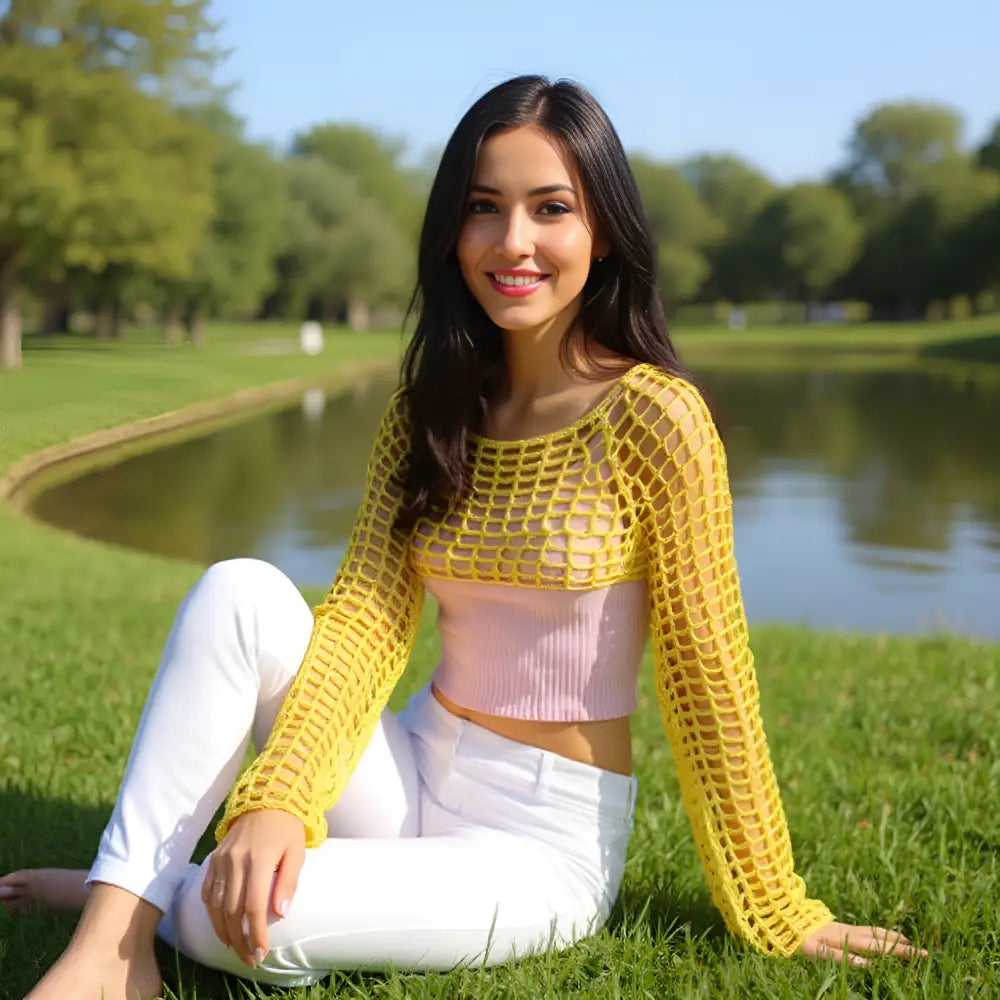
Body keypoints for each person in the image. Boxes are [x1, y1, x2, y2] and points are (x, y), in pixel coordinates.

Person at [0, 75, 926, 1000]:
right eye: (485, 208)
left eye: (550, 208)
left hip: (538, 840)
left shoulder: (655, 419)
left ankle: (136, 886)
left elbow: (708, 676)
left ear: (602, 230)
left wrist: (778, 907)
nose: (513, 241)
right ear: (454, 228)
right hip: (410, 764)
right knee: (240, 591)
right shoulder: (430, 412)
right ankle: (111, 944)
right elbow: (362, 619)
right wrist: (282, 794)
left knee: (230, 921)